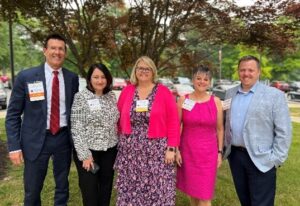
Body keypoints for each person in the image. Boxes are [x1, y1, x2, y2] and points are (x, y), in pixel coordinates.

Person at [5, 33, 79, 205]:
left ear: (65, 53)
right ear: (45, 51)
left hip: (63, 139)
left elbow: (74, 111)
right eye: (53, 48)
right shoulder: (26, 77)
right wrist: (14, 147)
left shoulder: (72, 78)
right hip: (35, 140)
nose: (57, 52)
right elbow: (13, 115)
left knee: (62, 187)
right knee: (32, 190)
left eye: (61, 49)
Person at [223, 55, 292, 206]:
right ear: (238, 71)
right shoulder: (230, 93)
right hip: (235, 156)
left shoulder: (274, 95)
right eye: (242, 70)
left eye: (250, 70)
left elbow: (284, 131)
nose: (246, 73)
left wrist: (275, 159)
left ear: (259, 72)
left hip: (262, 158)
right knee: (245, 200)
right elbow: (224, 122)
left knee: (262, 203)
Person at [114, 56, 180, 206]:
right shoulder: (127, 91)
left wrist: (172, 148)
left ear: (153, 71)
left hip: (156, 151)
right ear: (135, 71)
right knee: (131, 190)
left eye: (147, 68)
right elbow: (117, 118)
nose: (143, 71)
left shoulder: (163, 92)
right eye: (140, 68)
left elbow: (173, 122)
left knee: (158, 189)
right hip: (130, 153)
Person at [71, 63, 119, 206]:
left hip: (109, 150)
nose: (99, 80)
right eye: (96, 77)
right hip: (89, 152)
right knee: (90, 192)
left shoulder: (111, 96)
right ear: (89, 79)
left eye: (103, 77)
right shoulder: (81, 97)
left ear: (108, 79)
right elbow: (76, 127)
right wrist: (85, 155)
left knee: (105, 189)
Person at [176, 66, 224, 206]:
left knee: (204, 197)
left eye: (205, 79)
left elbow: (220, 129)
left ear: (209, 82)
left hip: (208, 155)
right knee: (193, 193)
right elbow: (177, 126)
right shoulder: (183, 100)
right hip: (188, 152)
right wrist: (177, 149)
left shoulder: (215, 101)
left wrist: (219, 152)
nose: (202, 82)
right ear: (193, 80)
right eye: (198, 78)